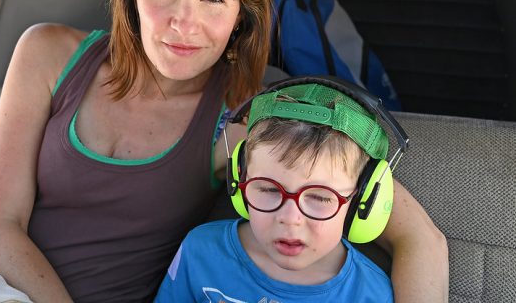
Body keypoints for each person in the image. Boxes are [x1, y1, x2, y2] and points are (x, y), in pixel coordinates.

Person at [0, 0, 448, 302]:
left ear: (243, 14)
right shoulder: (48, 53)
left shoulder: (251, 113)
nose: (183, 23)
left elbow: (420, 239)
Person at [154, 79, 397, 302]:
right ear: (240, 182)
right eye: (270, 190)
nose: (290, 219)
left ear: (361, 201)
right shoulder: (201, 252)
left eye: (320, 197)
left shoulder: (371, 295)